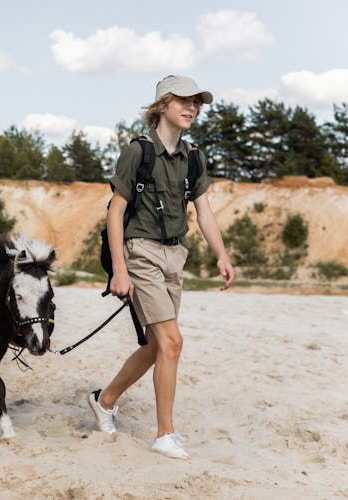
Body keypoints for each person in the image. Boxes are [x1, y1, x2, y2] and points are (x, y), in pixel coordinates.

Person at [88, 75, 235, 459]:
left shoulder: (194, 156)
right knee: (173, 342)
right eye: (184, 101)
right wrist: (120, 269)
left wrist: (221, 254)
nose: (192, 108)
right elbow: (115, 213)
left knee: (157, 347)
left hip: (176, 255)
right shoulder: (139, 152)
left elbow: (204, 211)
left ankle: (105, 400)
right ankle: (165, 434)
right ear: (163, 104)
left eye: (197, 103)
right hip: (141, 252)